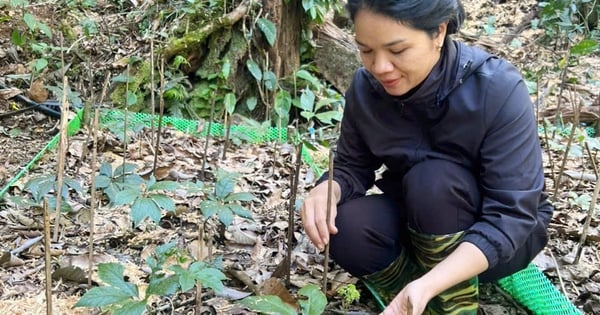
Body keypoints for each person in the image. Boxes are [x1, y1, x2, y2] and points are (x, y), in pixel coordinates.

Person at [299, 0, 553, 314]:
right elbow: (352, 164)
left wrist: (432, 281)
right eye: (366, 51)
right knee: (347, 228)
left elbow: (512, 215)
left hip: (496, 236)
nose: (379, 67)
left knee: (432, 181)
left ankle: (447, 300)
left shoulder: (496, 89)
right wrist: (329, 188)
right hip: (417, 219)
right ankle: (411, 299)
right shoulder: (366, 89)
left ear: (439, 32)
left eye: (397, 51)